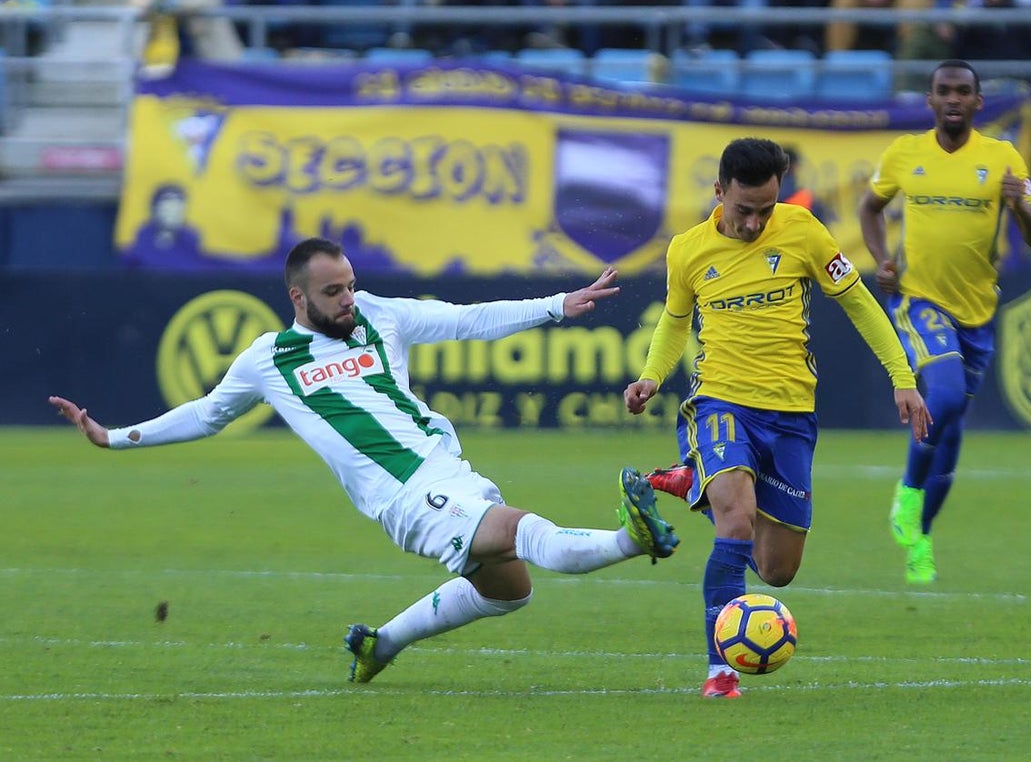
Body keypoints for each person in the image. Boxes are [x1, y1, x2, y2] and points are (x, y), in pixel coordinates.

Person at [49, 237, 679, 684]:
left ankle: (380, 644)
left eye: (349, 284)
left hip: (451, 472)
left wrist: (555, 305)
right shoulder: (269, 359)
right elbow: (205, 414)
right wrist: (115, 436)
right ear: (299, 297)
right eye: (333, 291)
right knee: (520, 529)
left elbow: (465, 319)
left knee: (510, 592)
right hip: (405, 498)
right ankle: (632, 534)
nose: (347, 298)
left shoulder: (379, 314)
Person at [621, 137, 930, 699]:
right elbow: (673, 322)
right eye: (744, 210)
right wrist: (652, 376)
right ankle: (720, 670)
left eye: (766, 209)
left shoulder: (804, 232)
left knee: (777, 570)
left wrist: (902, 377)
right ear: (719, 193)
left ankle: (694, 481)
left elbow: (860, 302)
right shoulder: (687, 250)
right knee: (735, 520)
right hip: (720, 401)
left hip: (791, 415)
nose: (754, 223)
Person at [858, 60, 1031, 585]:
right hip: (921, 302)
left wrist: (1022, 208)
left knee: (951, 437)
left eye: (962, 92)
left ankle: (919, 536)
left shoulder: (1001, 157)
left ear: (977, 102)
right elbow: (869, 209)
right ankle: (909, 489)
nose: (952, 99)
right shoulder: (905, 153)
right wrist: (881, 260)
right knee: (940, 400)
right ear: (930, 100)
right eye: (943, 90)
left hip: (979, 312)